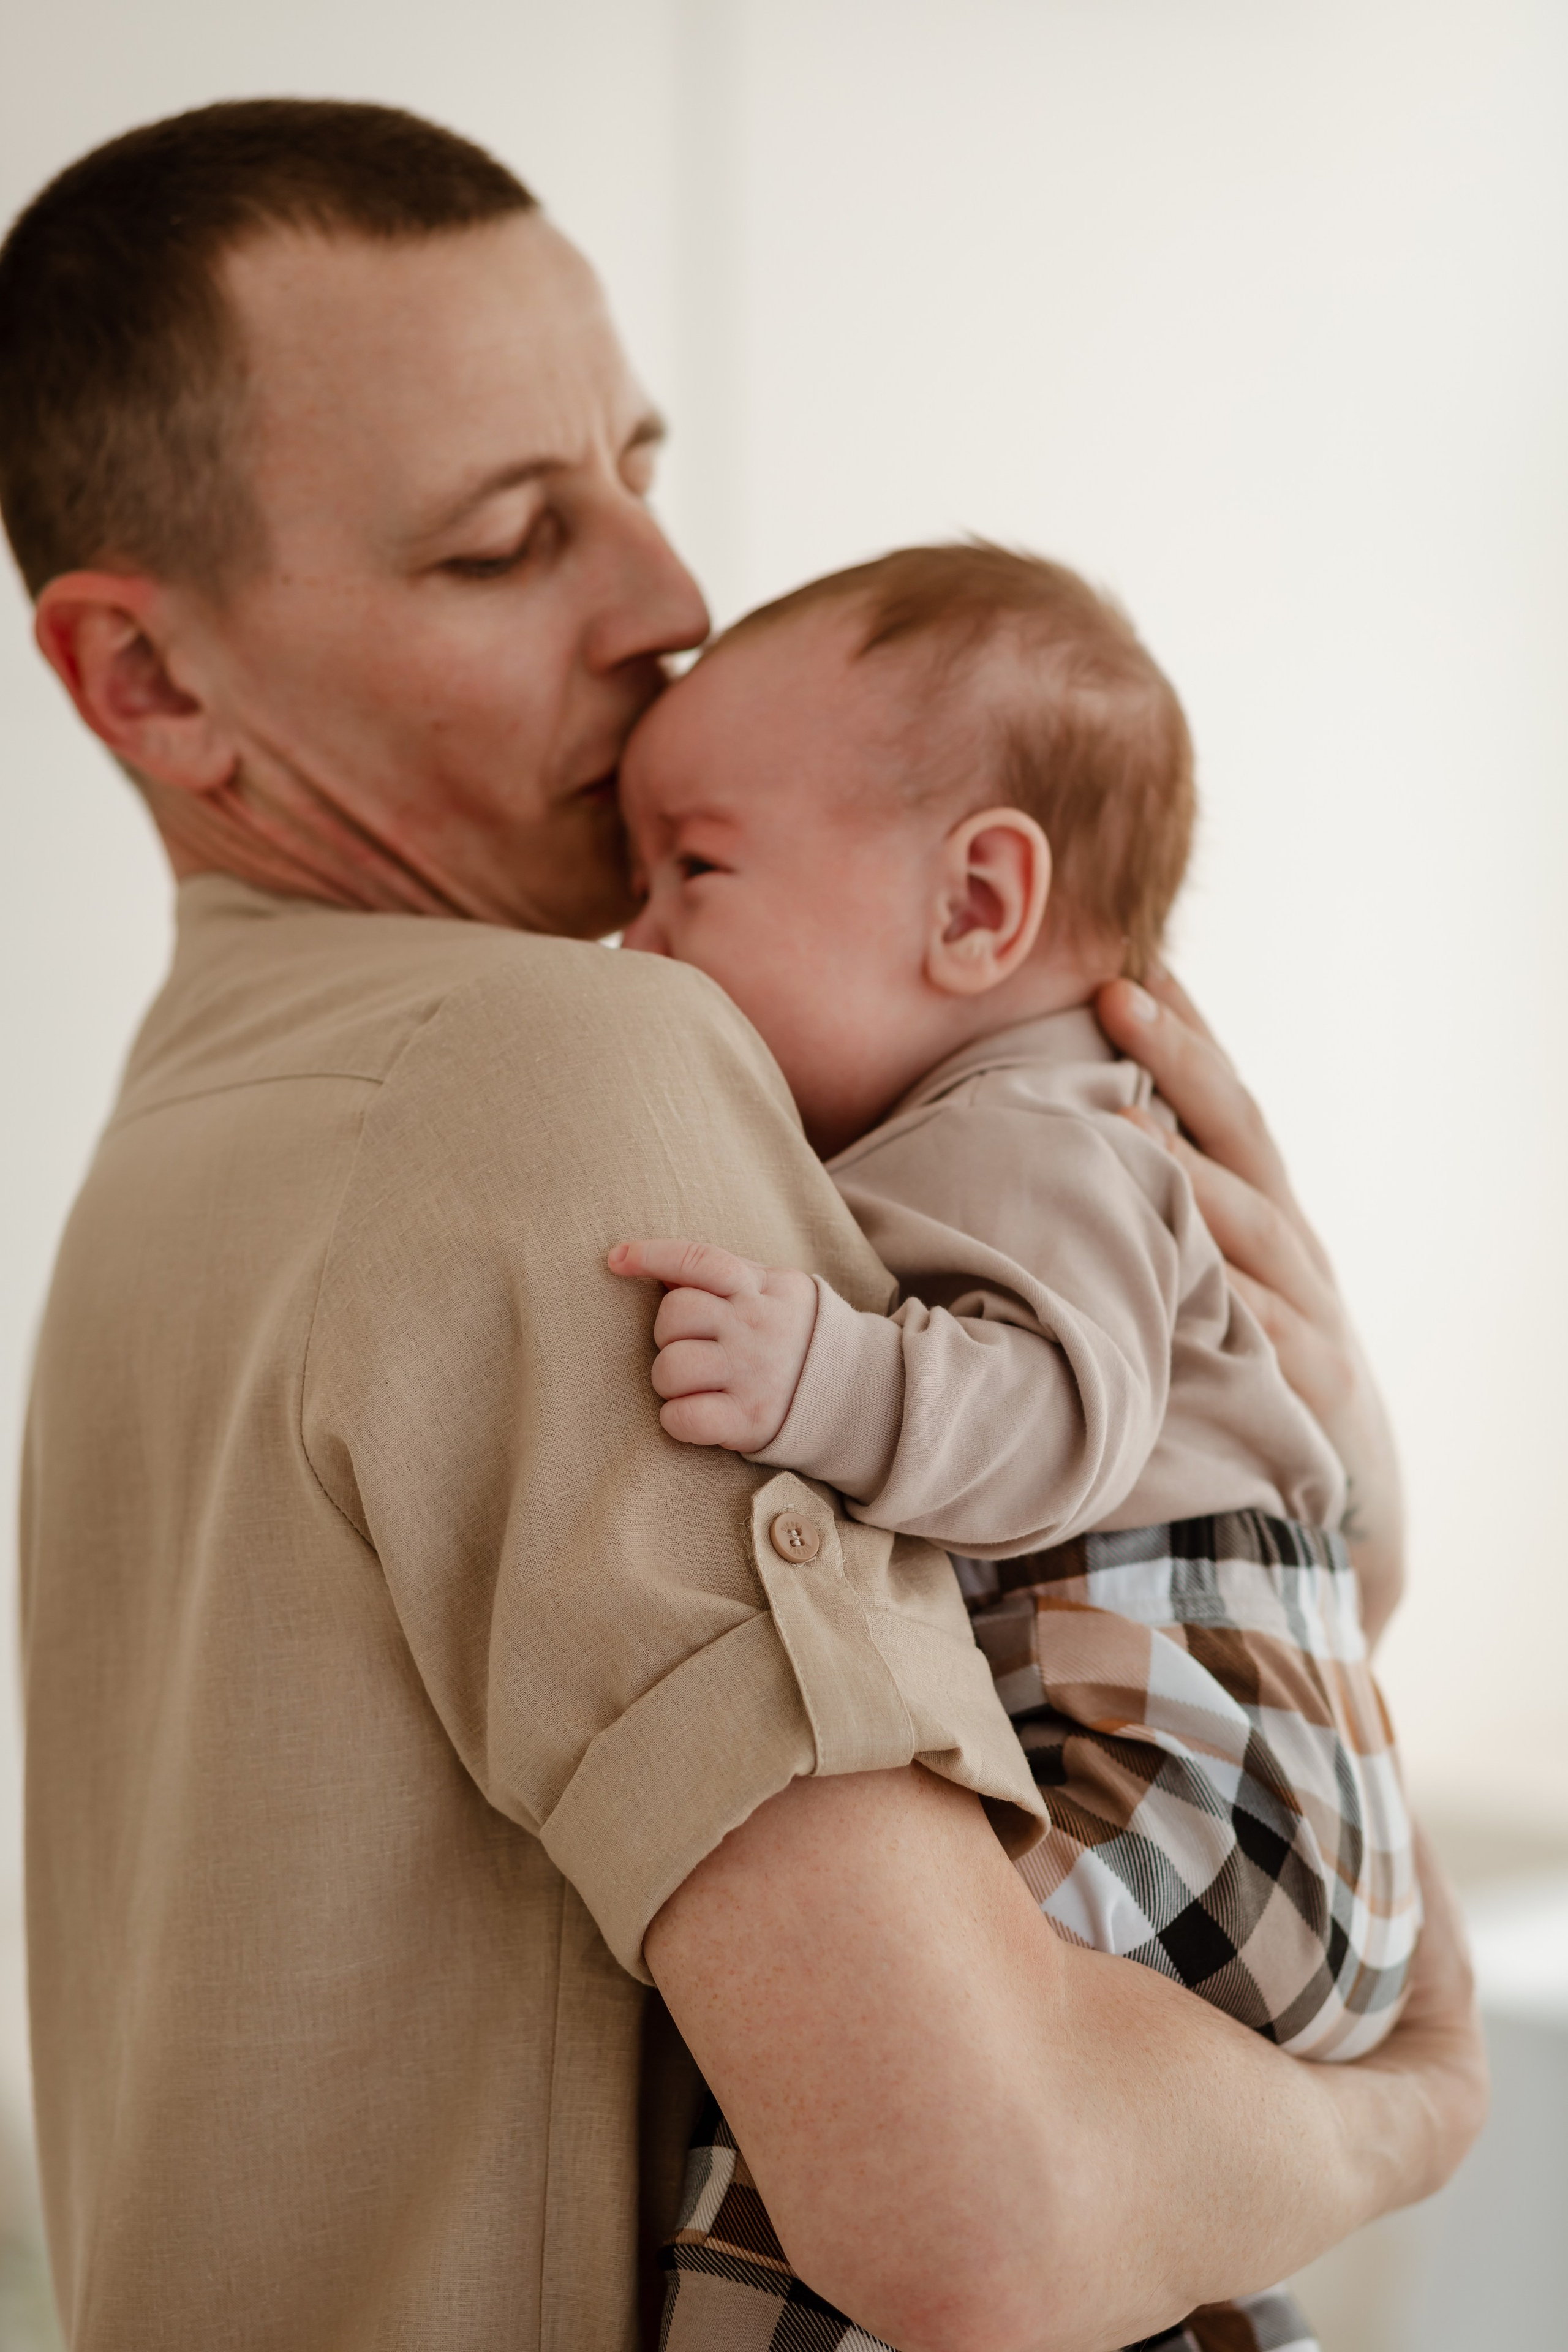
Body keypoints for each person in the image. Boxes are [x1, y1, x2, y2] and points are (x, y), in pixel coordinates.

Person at [0, 99, 1483, 2352]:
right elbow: (986, 2220)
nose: (669, 603)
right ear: (150, 682)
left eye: (636, 468)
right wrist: (1414, 2106)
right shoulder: (555, 1074)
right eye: (507, 543)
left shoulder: (173, 1162)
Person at [611, 543, 1420, 2350]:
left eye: (695, 870)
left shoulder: (1032, 1130)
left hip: (1197, 1765)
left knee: (870, 2100)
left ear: (977, 902)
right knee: (1144, 2231)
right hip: (1243, 1776)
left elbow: (1056, 1420)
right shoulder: (1019, 1127)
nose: (636, 937)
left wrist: (828, 1380)